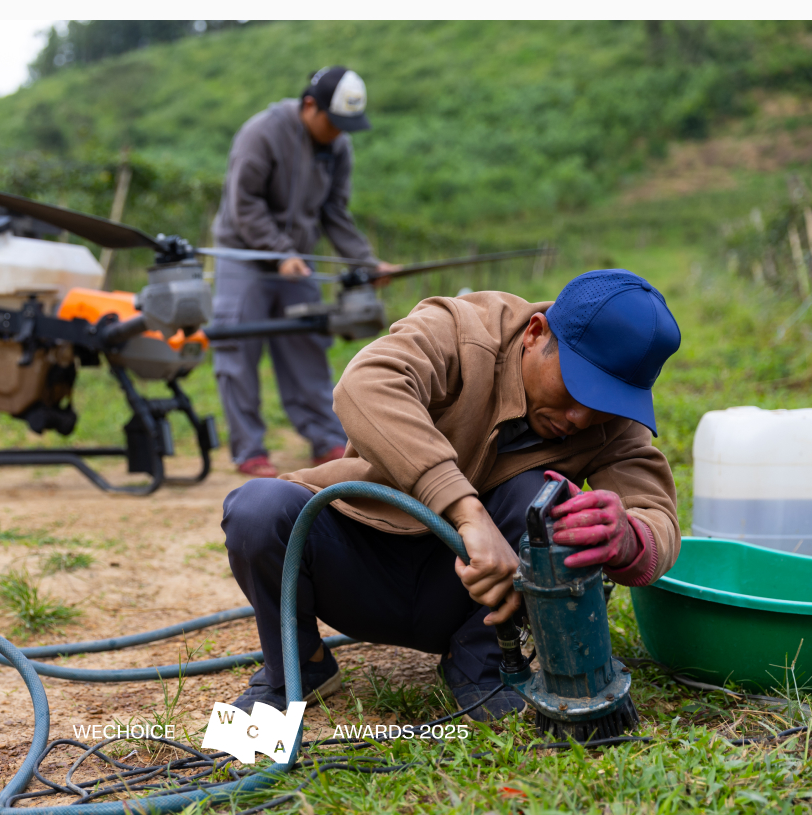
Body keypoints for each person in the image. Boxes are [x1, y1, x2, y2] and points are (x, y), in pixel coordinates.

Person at [221, 270, 683, 717]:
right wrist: (467, 513)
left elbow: (655, 514)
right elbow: (366, 383)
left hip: (471, 604)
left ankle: (479, 665)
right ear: (536, 333)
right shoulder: (465, 330)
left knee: (544, 501)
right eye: (578, 386)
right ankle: (300, 666)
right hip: (362, 561)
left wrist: (629, 538)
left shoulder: (612, 426)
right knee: (258, 510)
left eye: (604, 402)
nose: (582, 417)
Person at [210, 66, 398, 478]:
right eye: (333, 122)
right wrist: (278, 251)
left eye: (345, 125)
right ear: (309, 105)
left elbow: (334, 213)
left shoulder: (339, 146)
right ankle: (249, 450)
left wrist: (365, 263)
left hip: (296, 261)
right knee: (237, 352)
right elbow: (245, 204)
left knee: (308, 344)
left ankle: (325, 438)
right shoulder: (261, 134)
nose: (338, 132)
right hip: (243, 255)